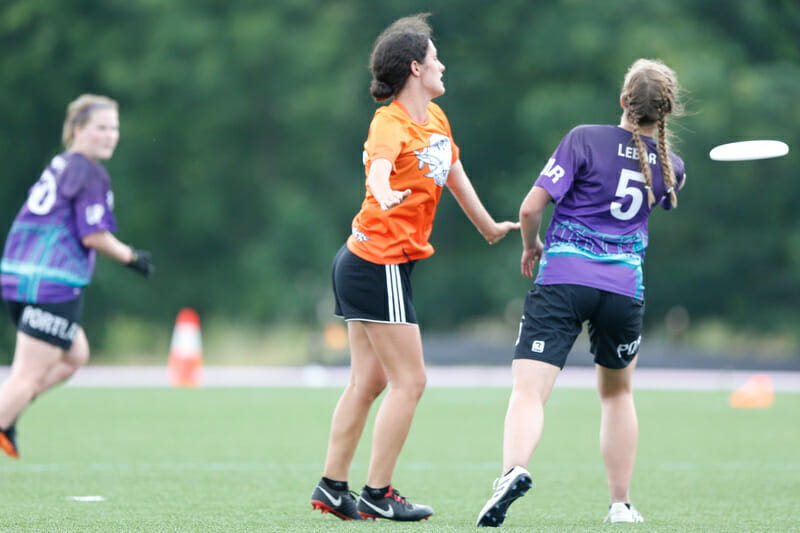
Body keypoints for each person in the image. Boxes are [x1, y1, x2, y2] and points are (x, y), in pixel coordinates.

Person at [310, 13, 519, 522]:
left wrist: (490, 227)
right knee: (411, 381)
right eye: (434, 58)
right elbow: (379, 169)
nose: (442, 65)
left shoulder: (437, 121)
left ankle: (333, 487)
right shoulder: (389, 121)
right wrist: (383, 190)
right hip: (376, 263)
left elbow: (454, 174)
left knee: (369, 382)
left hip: (367, 262)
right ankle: (378, 493)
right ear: (414, 68)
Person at [476, 58, 686, 527]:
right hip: (624, 291)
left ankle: (513, 470)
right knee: (616, 395)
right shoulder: (673, 165)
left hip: (565, 280)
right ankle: (620, 505)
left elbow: (531, 209)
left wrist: (531, 247)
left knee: (529, 391)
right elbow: (667, 196)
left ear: (622, 100)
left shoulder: (583, 139)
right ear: (665, 111)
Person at [0, 94, 154, 459]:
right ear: (78, 130)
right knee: (26, 376)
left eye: (114, 128)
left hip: (19, 277)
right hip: (50, 282)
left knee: (75, 354)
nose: (110, 135)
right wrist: (132, 258)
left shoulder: (62, 163)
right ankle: (7, 410)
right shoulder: (88, 170)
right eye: (101, 128)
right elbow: (93, 235)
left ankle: (8, 414)